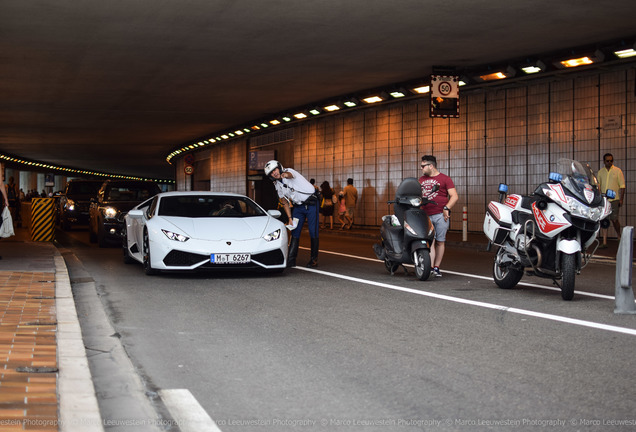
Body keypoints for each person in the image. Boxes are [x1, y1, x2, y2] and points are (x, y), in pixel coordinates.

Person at [264, 160, 320, 268]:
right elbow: (284, 202)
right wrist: (289, 217)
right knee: (295, 231)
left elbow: (290, 175)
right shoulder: (277, 185)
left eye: (275, 169)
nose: (274, 173)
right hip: (298, 208)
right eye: (271, 172)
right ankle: (291, 260)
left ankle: (314, 260)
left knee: (313, 231)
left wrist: (285, 174)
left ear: (279, 167)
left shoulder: (289, 171)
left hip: (312, 204)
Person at [419, 155, 459, 277]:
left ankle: (436, 267)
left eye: (423, 166)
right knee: (430, 241)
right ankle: (430, 267)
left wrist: (446, 208)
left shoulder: (445, 179)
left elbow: (454, 196)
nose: (421, 168)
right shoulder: (421, 180)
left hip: (440, 215)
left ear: (431, 166)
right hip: (425, 214)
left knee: (440, 241)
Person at [597, 153, 626, 248]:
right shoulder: (600, 172)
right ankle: (604, 242)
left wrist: (621, 199)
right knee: (604, 220)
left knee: (614, 219)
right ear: (604, 161)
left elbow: (622, 186)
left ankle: (619, 236)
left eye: (611, 160)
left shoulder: (618, 171)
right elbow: (598, 186)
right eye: (607, 161)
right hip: (604, 199)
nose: (609, 162)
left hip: (615, 199)